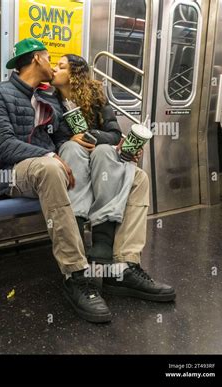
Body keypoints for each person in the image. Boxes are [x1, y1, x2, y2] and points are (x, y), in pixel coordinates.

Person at [0, 38, 112, 323]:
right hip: (10, 173)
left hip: (46, 168)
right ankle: (76, 274)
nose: (52, 64)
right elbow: (1, 144)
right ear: (37, 60)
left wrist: (85, 144)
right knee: (51, 169)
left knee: (128, 174)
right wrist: (50, 155)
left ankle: (120, 265)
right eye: (49, 58)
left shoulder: (47, 98)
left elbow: (61, 138)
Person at [50, 54, 175, 302]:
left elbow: (114, 133)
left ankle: (120, 264)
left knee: (136, 176)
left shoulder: (96, 97)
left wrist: (92, 137)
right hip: (71, 165)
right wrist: (69, 140)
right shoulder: (48, 100)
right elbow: (48, 137)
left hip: (100, 162)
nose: (55, 69)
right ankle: (78, 260)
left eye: (61, 66)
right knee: (73, 149)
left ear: (75, 74)